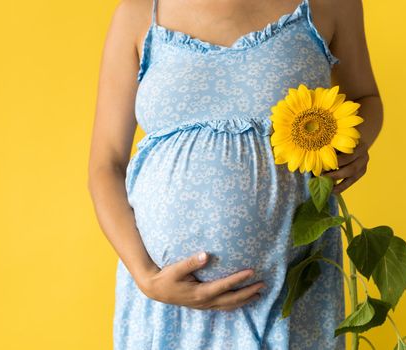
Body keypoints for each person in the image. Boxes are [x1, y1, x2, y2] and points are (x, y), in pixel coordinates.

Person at [88, 0, 383, 348]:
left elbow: (365, 97)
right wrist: (146, 276)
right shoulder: (139, 14)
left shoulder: (332, 4)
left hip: (289, 291)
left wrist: (354, 144)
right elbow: (106, 163)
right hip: (168, 307)